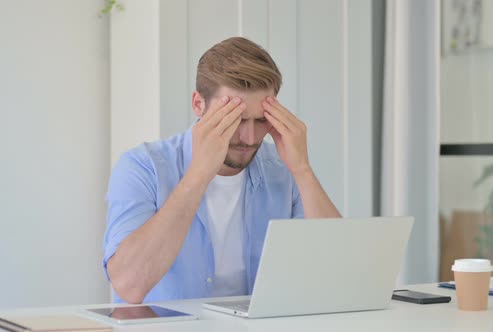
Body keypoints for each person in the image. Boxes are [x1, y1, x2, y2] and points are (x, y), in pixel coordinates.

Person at [102, 37, 341, 304]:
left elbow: (339, 274)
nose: (249, 138)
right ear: (198, 104)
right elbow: (129, 285)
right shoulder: (142, 167)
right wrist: (199, 174)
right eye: (234, 119)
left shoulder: (283, 168)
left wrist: (302, 169)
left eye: (261, 121)